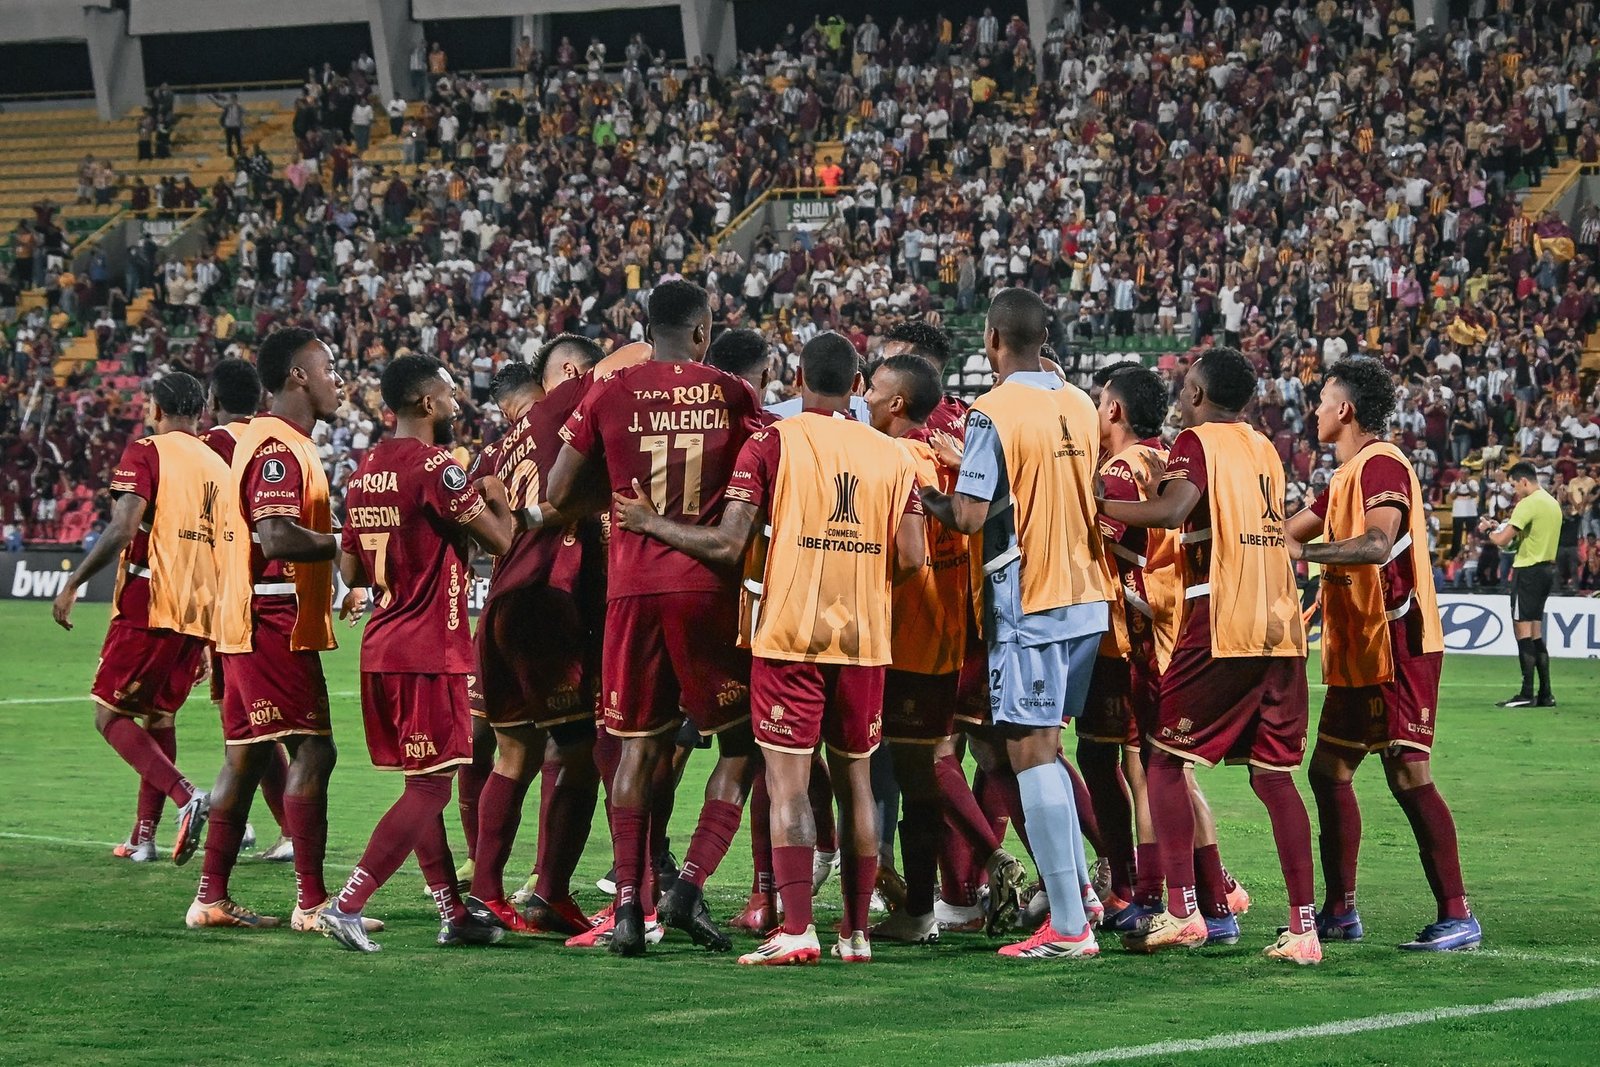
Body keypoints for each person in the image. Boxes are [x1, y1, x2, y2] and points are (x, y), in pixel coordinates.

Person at [615, 331, 924, 965]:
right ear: (858, 386)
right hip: (865, 636)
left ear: (798, 379)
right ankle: (857, 934)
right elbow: (914, 558)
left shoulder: (772, 441)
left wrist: (649, 524)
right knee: (857, 786)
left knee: (787, 785)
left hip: (789, 633)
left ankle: (798, 929)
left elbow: (729, 543)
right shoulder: (894, 457)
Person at [548, 281, 765, 956]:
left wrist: (613, 494)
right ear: (703, 333)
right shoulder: (735, 395)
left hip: (631, 587)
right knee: (743, 745)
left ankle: (626, 908)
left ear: (649, 329)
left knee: (638, 744)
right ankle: (689, 883)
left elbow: (556, 493)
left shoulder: (608, 392)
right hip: (707, 586)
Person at [1099, 346, 1319, 965]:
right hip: (1280, 624)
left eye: (1185, 388)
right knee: (1274, 777)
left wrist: (1097, 506)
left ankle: (1183, 910)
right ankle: (1303, 928)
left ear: (1197, 395)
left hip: (1222, 617)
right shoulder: (1265, 449)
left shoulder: (1196, 443)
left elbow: (1171, 511)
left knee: (1163, 761)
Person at [919, 288, 1113, 960]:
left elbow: (971, 516)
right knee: (1047, 748)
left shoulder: (991, 411)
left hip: (1030, 600)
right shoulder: (1080, 402)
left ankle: (1068, 924)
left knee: (1030, 754)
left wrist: (924, 497)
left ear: (993, 340)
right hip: (1088, 595)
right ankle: (1080, 896)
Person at [317, 355, 517, 951]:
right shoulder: (440, 469)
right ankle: (349, 902)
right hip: (429, 648)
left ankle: (453, 912)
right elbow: (502, 541)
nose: (458, 403)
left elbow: (351, 567)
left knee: (419, 782)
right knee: (431, 789)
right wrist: (498, 498)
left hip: (381, 645)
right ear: (427, 403)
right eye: (451, 394)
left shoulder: (364, 470)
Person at [1286, 358, 1480, 952]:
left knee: (1407, 771)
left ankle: (1457, 914)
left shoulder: (1382, 463)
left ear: (1344, 410)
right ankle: (1340, 911)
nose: (1313, 410)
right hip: (1358, 650)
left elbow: (1374, 544)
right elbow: (1289, 533)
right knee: (1328, 771)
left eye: (1322, 400)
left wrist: (1303, 556)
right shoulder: (1344, 476)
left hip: (1398, 644)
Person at [187, 328, 345, 931]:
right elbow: (276, 536)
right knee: (314, 749)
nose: (337, 378)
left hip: (243, 613)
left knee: (247, 757)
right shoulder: (279, 447)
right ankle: (311, 903)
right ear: (298, 376)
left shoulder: (271, 441)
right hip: (268, 615)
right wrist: (348, 546)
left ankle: (211, 898)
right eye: (327, 366)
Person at [863, 353, 1024, 946]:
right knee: (930, 762)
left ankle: (983, 864)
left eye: (876, 390)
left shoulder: (897, 457)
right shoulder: (945, 454)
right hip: (950, 627)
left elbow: (899, 554)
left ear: (898, 402)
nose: (869, 400)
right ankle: (924, 908)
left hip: (906, 633)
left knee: (920, 767)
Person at [50, 373, 225, 866]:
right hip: (199, 605)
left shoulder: (147, 450)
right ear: (200, 412)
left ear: (156, 409)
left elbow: (124, 525)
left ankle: (186, 794)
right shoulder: (216, 462)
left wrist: (74, 580)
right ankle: (143, 836)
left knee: (109, 714)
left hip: (152, 597)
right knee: (159, 715)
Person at [463, 338, 606, 938]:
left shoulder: (492, 455)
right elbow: (632, 355)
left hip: (501, 607)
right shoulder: (564, 410)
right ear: (571, 375)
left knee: (514, 752)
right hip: (552, 604)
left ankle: (486, 894)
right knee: (580, 755)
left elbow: (479, 533)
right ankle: (549, 890)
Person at [202, 358, 295, 864]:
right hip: (284, 595)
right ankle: (283, 832)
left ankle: (241, 831)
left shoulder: (212, 447)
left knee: (251, 732)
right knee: (264, 730)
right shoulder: (273, 440)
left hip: (239, 602)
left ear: (212, 403)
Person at [1479, 461, 1561, 707]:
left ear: (1524, 481)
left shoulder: (1528, 503)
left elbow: (1504, 541)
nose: (1515, 490)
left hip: (1527, 571)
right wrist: (1499, 527)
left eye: (1514, 485)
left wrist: (1487, 531)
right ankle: (1545, 694)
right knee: (1536, 634)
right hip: (1547, 570)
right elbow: (1530, 536)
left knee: (1522, 633)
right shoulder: (1551, 503)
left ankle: (1526, 694)